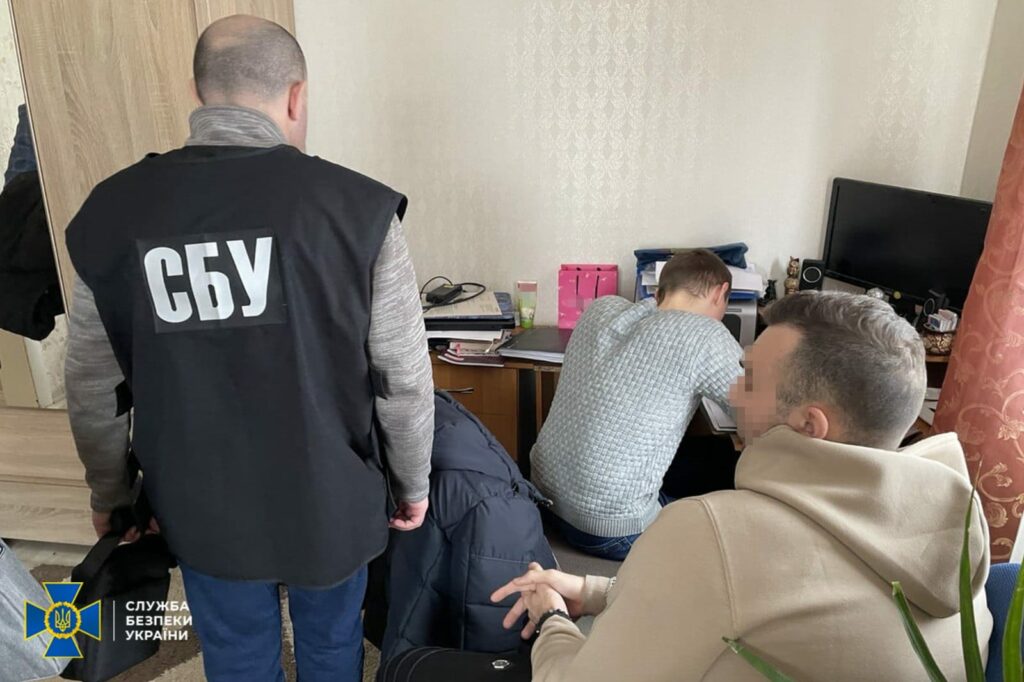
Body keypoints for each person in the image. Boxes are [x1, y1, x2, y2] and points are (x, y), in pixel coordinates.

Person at [63, 15, 434, 681]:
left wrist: (112, 494)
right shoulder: (356, 209)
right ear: (296, 96)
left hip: (200, 504)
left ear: (198, 91)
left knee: (235, 653)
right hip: (330, 497)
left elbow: (93, 388)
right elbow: (402, 377)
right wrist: (411, 482)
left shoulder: (111, 213)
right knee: (332, 646)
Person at [493, 291, 992, 681]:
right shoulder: (954, 524)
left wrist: (553, 620)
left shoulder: (711, 531)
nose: (733, 390)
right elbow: (759, 601)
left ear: (809, 425)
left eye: (748, 379)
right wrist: (594, 591)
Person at [530, 248, 742, 560]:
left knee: (687, 455)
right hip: (611, 531)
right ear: (720, 292)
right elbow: (764, 409)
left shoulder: (601, 309)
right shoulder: (705, 334)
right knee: (727, 466)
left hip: (544, 501)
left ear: (660, 290)